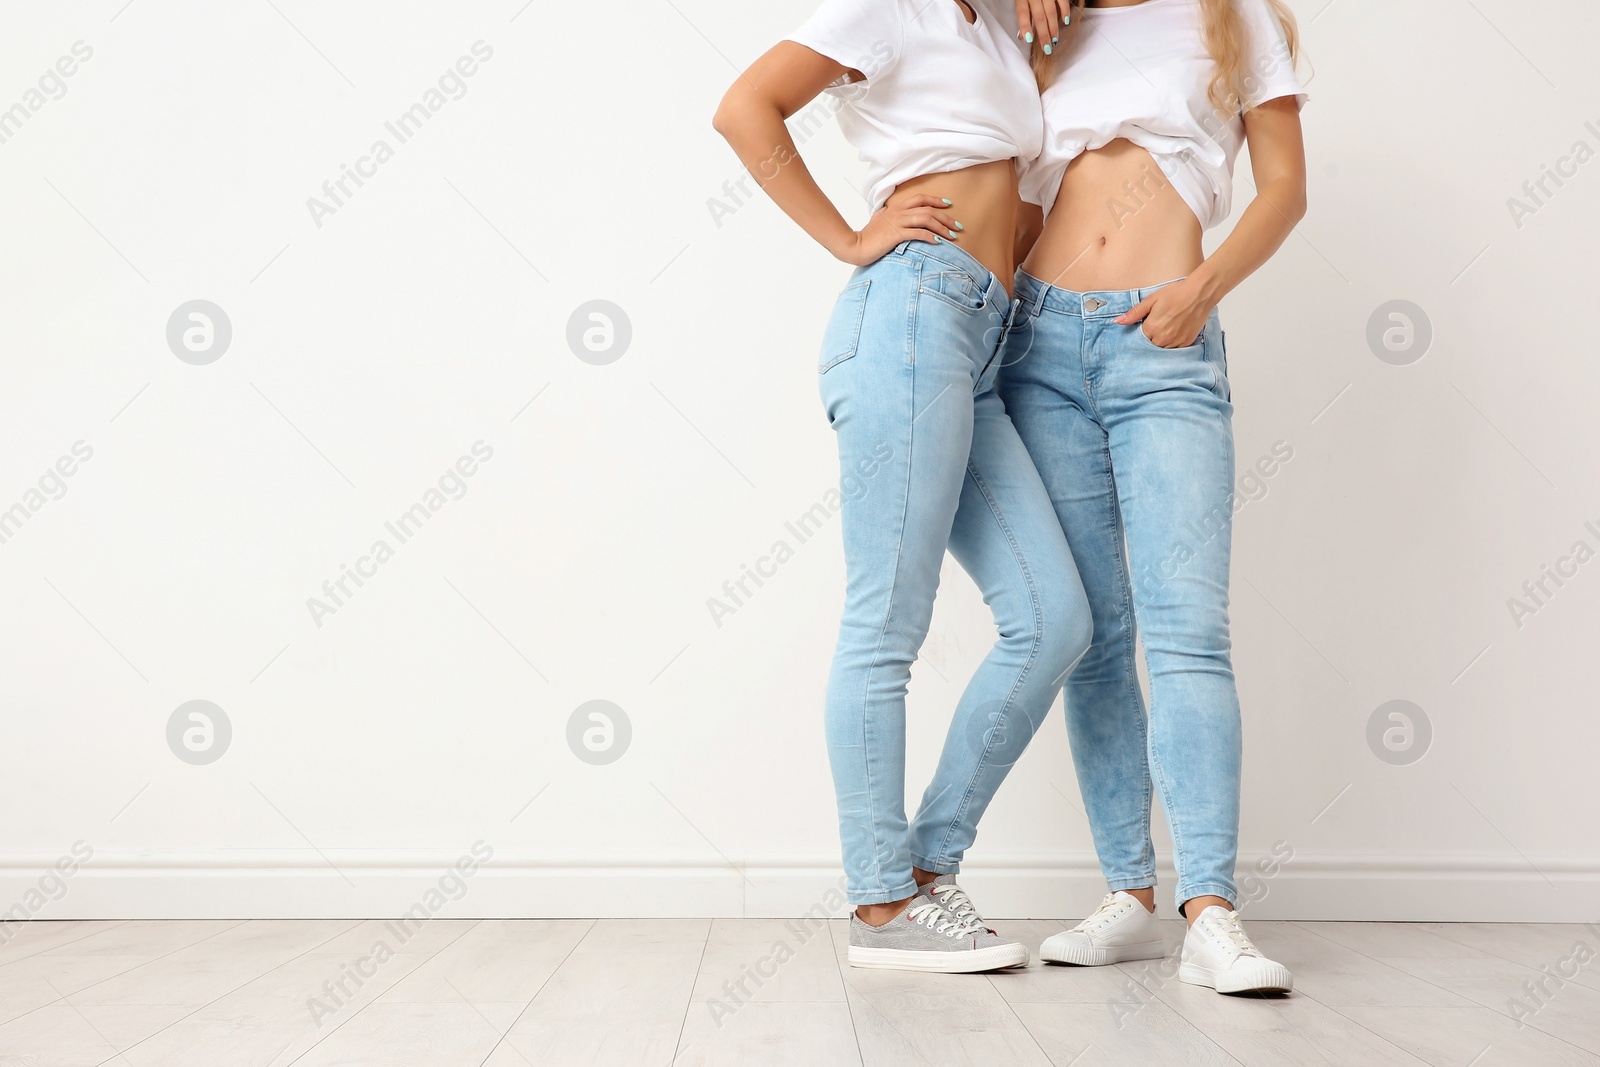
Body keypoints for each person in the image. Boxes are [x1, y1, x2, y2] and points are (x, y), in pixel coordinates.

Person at [713, 0, 1092, 972]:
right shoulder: (884, 8)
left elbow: (1029, 201)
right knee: (887, 620)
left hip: (977, 341)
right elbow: (746, 106)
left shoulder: (1001, 37)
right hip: (908, 312)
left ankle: (925, 867)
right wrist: (848, 235)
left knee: (1054, 619)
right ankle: (879, 903)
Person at [998, 0, 1308, 994]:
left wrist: (1202, 287)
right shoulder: (1046, 24)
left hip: (1161, 343)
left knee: (1185, 632)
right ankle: (1128, 894)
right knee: (1093, 634)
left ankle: (1209, 908)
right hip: (1037, 338)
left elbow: (1284, 190)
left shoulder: (1231, 16)